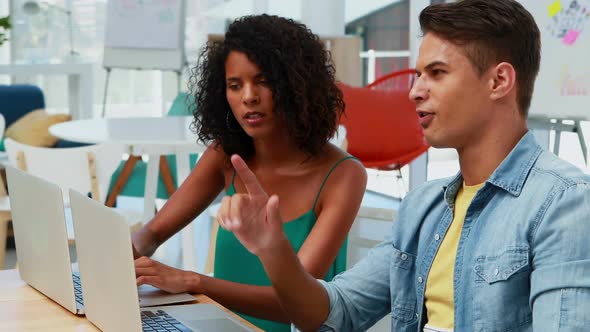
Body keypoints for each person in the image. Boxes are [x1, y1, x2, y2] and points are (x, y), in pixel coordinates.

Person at [217, 1, 590, 331]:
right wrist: (273, 250)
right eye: (418, 75)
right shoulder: (422, 208)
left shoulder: (563, 204)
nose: (415, 91)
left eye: (437, 73)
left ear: (499, 81)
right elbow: (333, 313)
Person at [131, 14, 367, 332]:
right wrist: (106, 260)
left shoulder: (343, 175)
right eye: (234, 85)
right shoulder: (225, 155)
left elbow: (295, 305)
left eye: (264, 81)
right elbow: (151, 235)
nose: (248, 97)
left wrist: (193, 282)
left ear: (297, 84)